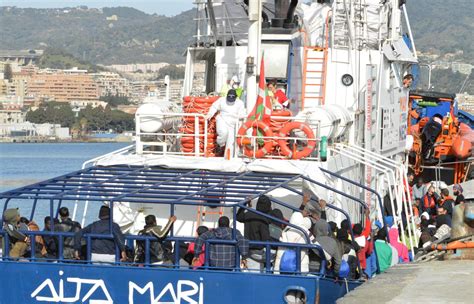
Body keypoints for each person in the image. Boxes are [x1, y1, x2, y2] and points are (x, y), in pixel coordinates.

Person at [205, 89, 246, 157]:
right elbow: (214, 107)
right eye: (229, 98)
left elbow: (242, 114)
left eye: (232, 98)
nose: (230, 100)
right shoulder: (222, 100)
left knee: (231, 144)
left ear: (236, 97)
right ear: (227, 96)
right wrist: (209, 114)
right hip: (222, 119)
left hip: (233, 124)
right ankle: (220, 145)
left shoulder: (240, 103)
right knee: (223, 133)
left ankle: (228, 159)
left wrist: (241, 120)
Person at [236, 195, 272, 272]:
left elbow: (239, 217)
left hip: (247, 250)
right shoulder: (263, 219)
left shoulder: (249, 214)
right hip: (257, 251)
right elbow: (266, 239)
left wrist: (245, 204)